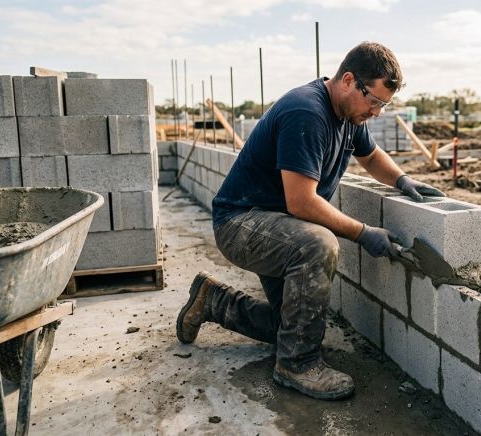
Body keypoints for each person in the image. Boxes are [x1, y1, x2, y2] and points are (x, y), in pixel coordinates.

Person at [175, 41, 445, 400]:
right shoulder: (308, 111)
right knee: (320, 244)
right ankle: (297, 365)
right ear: (349, 80)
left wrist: (401, 180)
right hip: (241, 223)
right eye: (375, 102)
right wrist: (363, 233)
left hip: (276, 227)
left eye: (384, 105)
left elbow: (371, 156)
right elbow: (301, 202)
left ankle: (212, 301)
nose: (377, 112)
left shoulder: (349, 116)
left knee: (290, 325)